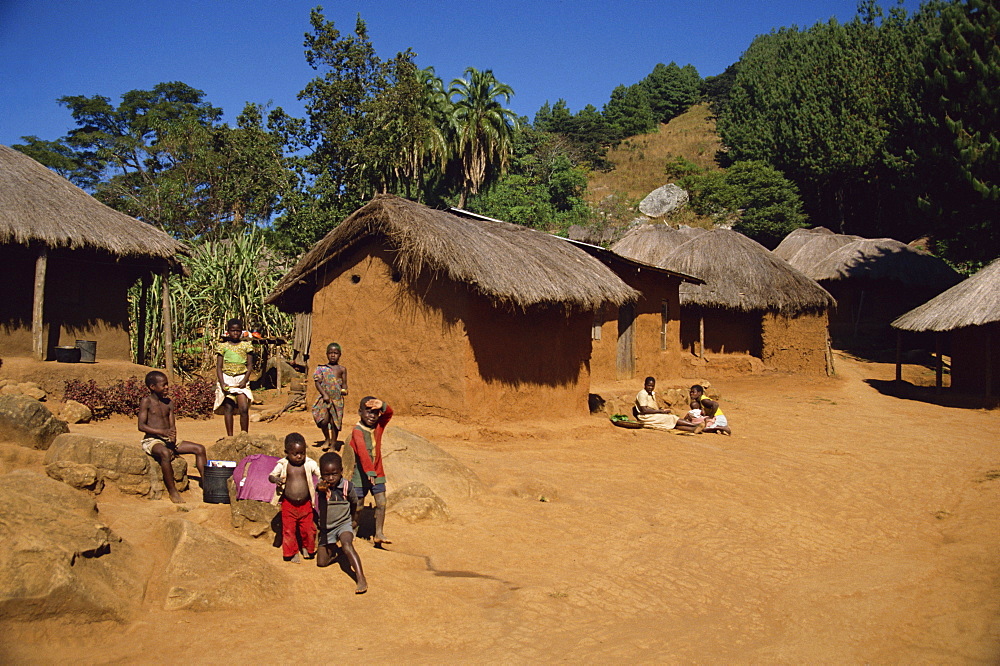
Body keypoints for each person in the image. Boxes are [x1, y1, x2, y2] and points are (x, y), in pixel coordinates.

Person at [138, 370, 207, 504]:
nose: (166, 387)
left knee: (199, 449)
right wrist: (161, 433)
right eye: (163, 385)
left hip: (167, 440)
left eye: (167, 384)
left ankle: (207, 483)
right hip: (152, 440)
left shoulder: (168, 403)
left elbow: (172, 425)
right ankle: (172, 491)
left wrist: (172, 440)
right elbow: (141, 426)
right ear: (152, 387)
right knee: (164, 453)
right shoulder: (146, 402)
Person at [316, 452, 368, 594]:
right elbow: (318, 490)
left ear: (341, 471)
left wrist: (353, 520)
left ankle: (360, 577)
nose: (331, 478)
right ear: (321, 474)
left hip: (343, 524)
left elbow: (354, 504)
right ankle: (337, 554)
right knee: (321, 562)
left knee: (347, 544)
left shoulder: (347, 487)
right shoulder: (321, 487)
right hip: (327, 529)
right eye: (326, 474)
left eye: (334, 474)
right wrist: (321, 490)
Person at [268, 433, 321, 563]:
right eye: (295, 453)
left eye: (302, 453)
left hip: (306, 504)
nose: (299, 456)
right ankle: (291, 553)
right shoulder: (283, 464)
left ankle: (307, 548)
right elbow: (271, 476)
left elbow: (320, 474)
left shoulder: (309, 463)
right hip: (288, 504)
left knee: (308, 529)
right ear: (287, 452)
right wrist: (276, 479)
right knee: (288, 530)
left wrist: (322, 483)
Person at [347, 397, 393, 545]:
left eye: (375, 413)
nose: (372, 416)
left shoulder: (378, 427)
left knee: (381, 503)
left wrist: (383, 405)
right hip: (360, 475)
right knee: (358, 506)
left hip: (377, 473)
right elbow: (362, 452)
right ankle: (353, 529)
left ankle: (378, 533)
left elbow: (389, 414)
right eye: (368, 412)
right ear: (360, 412)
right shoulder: (357, 431)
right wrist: (369, 471)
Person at [214, 318, 255, 436]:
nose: (235, 333)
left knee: (243, 408)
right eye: (233, 331)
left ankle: (244, 435)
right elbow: (219, 367)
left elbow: (250, 365)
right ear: (228, 332)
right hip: (227, 379)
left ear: (242, 332)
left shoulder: (246, 346)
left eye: (238, 331)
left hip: (241, 378)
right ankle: (230, 436)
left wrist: (245, 380)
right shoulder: (223, 346)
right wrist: (222, 383)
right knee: (229, 407)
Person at [312, 343, 349, 451]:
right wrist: (324, 394)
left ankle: (333, 444)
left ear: (340, 355)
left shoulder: (342, 369)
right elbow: (317, 383)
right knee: (324, 421)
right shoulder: (321, 369)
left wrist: (344, 390)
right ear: (327, 354)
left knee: (335, 423)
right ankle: (327, 439)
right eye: (331, 353)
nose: (333, 355)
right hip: (324, 399)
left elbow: (344, 383)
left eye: (336, 353)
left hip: (337, 400)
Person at [635, 377, 703, 433]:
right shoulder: (642, 394)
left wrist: (661, 411)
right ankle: (695, 425)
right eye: (649, 385)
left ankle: (693, 429)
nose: (650, 387)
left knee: (671, 424)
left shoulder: (651, 394)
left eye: (652, 386)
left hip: (652, 415)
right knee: (672, 418)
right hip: (646, 417)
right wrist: (660, 411)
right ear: (645, 385)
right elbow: (644, 410)